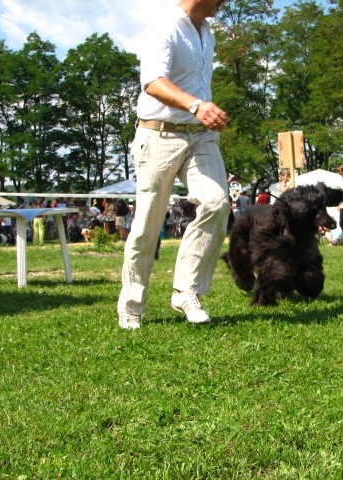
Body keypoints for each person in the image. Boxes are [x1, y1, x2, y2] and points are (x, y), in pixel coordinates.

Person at [117, 0, 230, 329]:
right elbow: (153, 82)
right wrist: (197, 105)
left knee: (216, 203)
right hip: (158, 135)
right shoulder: (164, 27)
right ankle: (132, 306)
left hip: (201, 136)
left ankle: (186, 290)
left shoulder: (207, 33)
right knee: (147, 228)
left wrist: (202, 114)